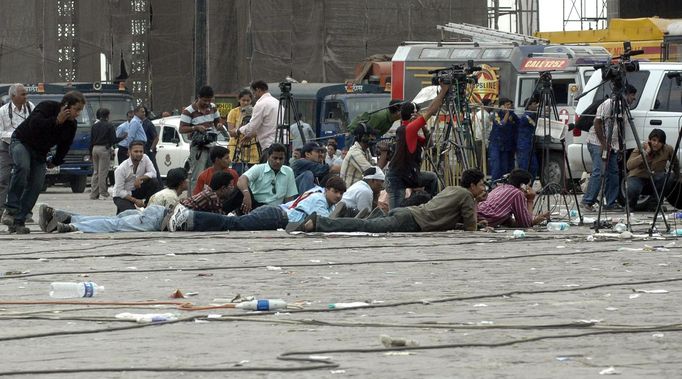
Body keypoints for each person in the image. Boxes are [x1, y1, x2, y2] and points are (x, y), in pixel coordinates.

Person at [290, 168, 487, 233]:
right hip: (409, 221)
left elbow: (445, 217)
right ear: (472, 186)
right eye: (481, 185)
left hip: (407, 215)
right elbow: (472, 230)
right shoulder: (467, 197)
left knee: (368, 224)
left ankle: (374, 215)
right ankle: (320, 222)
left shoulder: (453, 189)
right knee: (363, 226)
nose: (483, 189)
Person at [39, 172, 234, 234]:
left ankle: (65, 215)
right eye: (230, 186)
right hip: (159, 220)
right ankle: (71, 227)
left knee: (112, 221)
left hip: (157, 213)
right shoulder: (212, 198)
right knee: (113, 225)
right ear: (223, 188)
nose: (232, 190)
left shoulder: (206, 194)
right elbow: (223, 221)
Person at [1, 91, 85, 234]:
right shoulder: (47, 107)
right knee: (22, 167)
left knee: (36, 184)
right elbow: (35, 125)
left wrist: (55, 161)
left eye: (80, 111)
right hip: (22, 142)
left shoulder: (71, 125)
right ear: (66, 106)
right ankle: (10, 210)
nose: (78, 113)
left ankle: (19, 221)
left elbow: (64, 145)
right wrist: (56, 121)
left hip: (40, 152)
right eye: (76, 109)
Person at [385, 84, 448, 210]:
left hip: (408, 175)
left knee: (432, 178)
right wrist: (444, 90)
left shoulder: (408, 130)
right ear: (413, 115)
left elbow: (429, 144)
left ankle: (429, 208)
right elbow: (431, 111)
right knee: (397, 216)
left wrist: (424, 127)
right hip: (397, 179)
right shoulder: (409, 129)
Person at [581, 84, 638, 212]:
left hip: (612, 145)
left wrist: (620, 147)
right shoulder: (609, 104)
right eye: (632, 95)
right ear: (625, 94)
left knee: (613, 173)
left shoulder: (623, 108)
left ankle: (610, 203)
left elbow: (620, 128)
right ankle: (587, 201)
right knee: (599, 171)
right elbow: (597, 122)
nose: (633, 98)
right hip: (597, 142)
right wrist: (603, 143)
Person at [179, 85, 227, 192]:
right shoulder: (189, 111)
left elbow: (217, 120)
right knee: (197, 176)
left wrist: (219, 124)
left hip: (212, 146)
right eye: (204, 100)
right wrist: (195, 128)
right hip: (198, 148)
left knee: (213, 174)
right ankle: (194, 199)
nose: (207, 103)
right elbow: (181, 129)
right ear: (198, 97)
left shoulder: (212, 107)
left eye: (209, 100)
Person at [0, 84, 34, 220]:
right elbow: (1, 132)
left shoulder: (31, 107)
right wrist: (16, 134)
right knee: (3, 179)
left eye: (26, 94)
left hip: (26, 147)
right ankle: (2, 210)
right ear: (13, 96)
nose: (26, 97)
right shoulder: (3, 111)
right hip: (6, 146)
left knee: (24, 178)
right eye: (23, 94)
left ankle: (24, 211)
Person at [625, 129, 679, 210]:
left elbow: (675, 163)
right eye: (654, 140)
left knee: (669, 177)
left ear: (663, 143)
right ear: (649, 140)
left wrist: (677, 177)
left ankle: (655, 205)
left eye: (659, 141)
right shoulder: (641, 147)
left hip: (654, 179)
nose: (656, 143)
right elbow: (629, 165)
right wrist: (645, 153)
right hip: (638, 178)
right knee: (632, 188)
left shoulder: (668, 149)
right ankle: (630, 206)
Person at [237, 143, 298, 213]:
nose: (278, 161)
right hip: (255, 205)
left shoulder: (288, 171)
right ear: (268, 157)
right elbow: (242, 179)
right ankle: (223, 212)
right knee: (239, 190)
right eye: (275, 158)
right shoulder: (258, 168)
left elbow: (289, 198)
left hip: (275, 210)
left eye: (281, 159)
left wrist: (287, 212)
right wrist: (246, 194)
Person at [477, 169, 550, 228]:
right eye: (529, 186)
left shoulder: (500, 188)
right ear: (522, 185)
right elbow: (525, 224)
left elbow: (508, 221)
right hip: (483, 219)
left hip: (477, 215)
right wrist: (530, 200)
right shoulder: (517, 193)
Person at [112, 140, 158, 214]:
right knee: (132, 214)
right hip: (122, 195)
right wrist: (136, 201)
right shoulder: (121, 169)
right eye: (136, 151)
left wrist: (140, 178)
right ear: (129, 152)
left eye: (141, 151)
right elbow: (119, 191)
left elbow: (153, 173)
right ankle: (122, 210)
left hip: (136, 190)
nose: (139, 154)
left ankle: (147, 206)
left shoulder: (145, 158)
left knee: (154, 181)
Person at [238, 80, 280, 156]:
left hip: (268, 145)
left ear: (258, 90)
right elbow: (268, 124)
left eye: (253, 93)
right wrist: (250, 135)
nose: (254, 96)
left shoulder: (261, 104)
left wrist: (239, 130)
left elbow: (253, 125)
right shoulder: (277, 102)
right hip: (280, 143)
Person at [281, 175, 346, 223]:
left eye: (341, 193)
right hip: (280, 215)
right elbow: (327, 223)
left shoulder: (332, 205)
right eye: (335, 191)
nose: (338, 196)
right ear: (326, 190)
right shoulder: (319, 199)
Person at [227, 89, 259, 173]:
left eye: (248, 100)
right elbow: (231, 132)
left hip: (253, 148)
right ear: (239, 100)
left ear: (251, 100)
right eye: (243, 100)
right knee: (237, 173)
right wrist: (241, 128)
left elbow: (259, 130)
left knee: (253, 174)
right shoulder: (233, 112)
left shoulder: (256, 111)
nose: (245, 103)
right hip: (237, 148)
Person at [488, 98, 519, 181]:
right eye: (507, 105)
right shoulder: (496, 114)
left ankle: (503, 184)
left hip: (506, 144)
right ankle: (494, 184)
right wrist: (507, 113)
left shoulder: (512, 114)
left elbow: (518, 124)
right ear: (502, 106)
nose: (510, 106)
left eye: (510, 105)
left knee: (505, 167)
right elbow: (501, 124)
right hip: (496, 143)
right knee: (496, 166)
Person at [89, 108, 117, 200]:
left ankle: (93, 194)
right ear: (108, 115)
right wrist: (123, 137)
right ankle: (103, 193)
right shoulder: (109, 126)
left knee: (96, 172)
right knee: (103, 172)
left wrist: (90, 153)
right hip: (104, 149)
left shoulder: (94, 126)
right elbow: (113, 139)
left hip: (94, 149)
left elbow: (91, 140)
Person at [516, 97, 539, 182]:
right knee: (524, 168)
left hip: (530, 145)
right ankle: (522, 187)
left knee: (534, 167)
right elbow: (533, 119)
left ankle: (529, 187)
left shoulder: (532, 116)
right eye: (534, 104)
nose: (536, 105)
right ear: (528, 106)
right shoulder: (526, 117)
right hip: (523, 146)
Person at [141, 106, 161, 182]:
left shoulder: (148, 124)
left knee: (153, 168)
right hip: (143, 150)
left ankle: (159, 186)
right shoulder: (140, 123)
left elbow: (156, 138)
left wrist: (151, 149)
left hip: (148, 150)